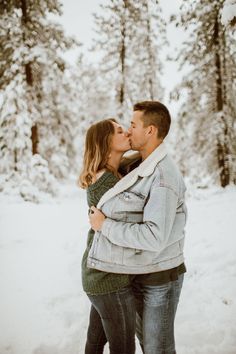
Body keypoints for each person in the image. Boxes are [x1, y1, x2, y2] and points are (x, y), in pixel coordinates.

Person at [89, 101, 187, 354]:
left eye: (133, 125)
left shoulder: (163, 176)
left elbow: (154, 236)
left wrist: (105, 225)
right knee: (146, 345)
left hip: (160, 276)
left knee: (157, 348)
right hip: (138, 272)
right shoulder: (136, 165)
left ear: (151, 130)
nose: (129, 131)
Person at [78, 118, 136, 354]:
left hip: (98, 276)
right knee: (123, 349)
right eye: (120, 131)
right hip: (109, 280)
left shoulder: (108, 174)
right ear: (106, 142)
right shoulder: (107, 183)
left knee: (95, 341)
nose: (127, 132)